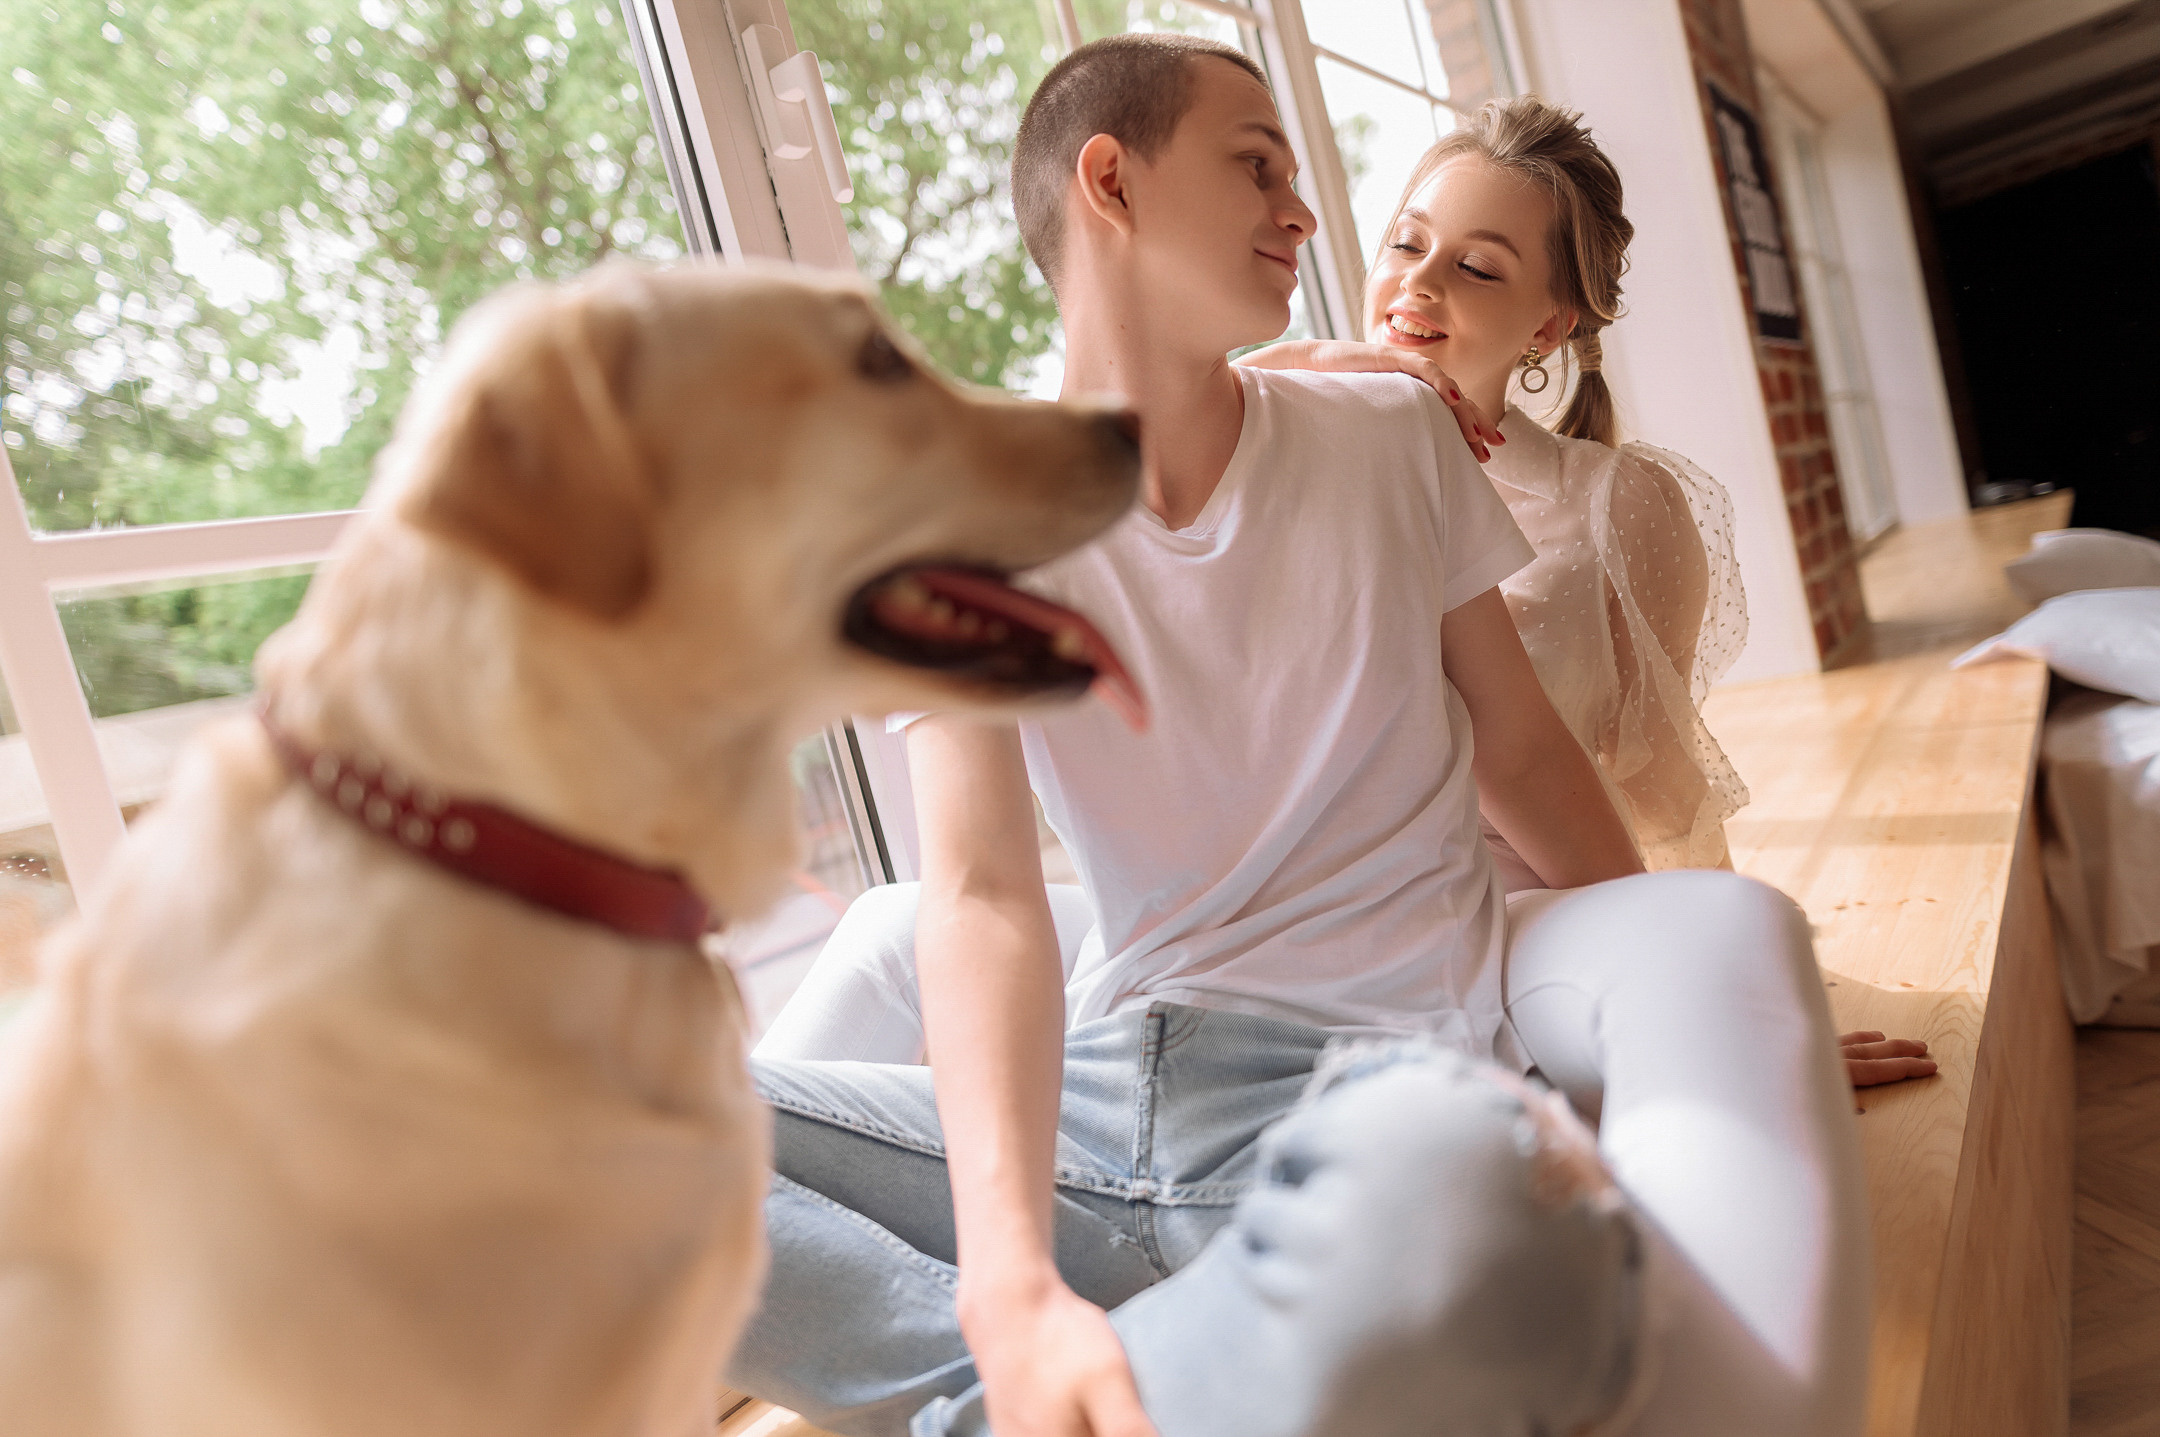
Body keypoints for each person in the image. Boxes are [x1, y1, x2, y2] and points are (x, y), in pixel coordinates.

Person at [730, 35, 1867, 1437]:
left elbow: (1518, 749)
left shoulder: (1387, 435)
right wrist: (1011, 1276)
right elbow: (978, 894)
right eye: (1256, 165)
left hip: (1377, 1098)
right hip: (1119, 1098)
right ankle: (1053, 1392)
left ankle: (1137, 1383)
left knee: (1473, 1182)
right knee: (588, 1119)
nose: (1304, 210)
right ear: (1112, 183)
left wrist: (1690, 1006)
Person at [762, 97, 1935, 1089]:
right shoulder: (1292, 425)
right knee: (885, 931)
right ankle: (662, 1260)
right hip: (1248, 936)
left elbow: (1631, 781)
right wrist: (1322, 367)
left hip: (1489, 926)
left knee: (1717, 977)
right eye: (1405, 246)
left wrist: (1719, 991)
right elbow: (1133, 405)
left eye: (1476, 267)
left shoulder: (1618, 510)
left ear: (1551, 322)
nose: (1417, 287)